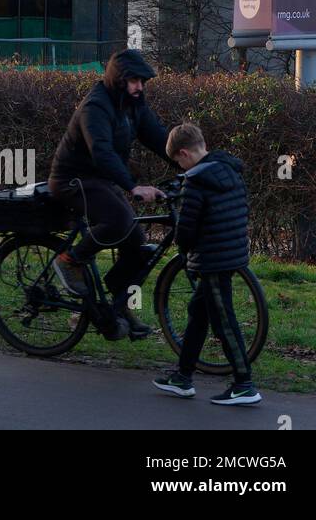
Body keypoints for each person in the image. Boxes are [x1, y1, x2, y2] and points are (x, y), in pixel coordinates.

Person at [48, 48, 172, 340]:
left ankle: (119, 306)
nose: (139, 87)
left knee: (137, 245)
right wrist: (132, 186)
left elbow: (160, 139)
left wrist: (194, 162)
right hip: (73, 180)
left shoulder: (133, 105)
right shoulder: (96, 106)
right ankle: (70, 260)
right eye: (133, 81)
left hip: (100, 181)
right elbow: (102, 152)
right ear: (118, 80)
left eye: (142, 81)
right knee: (118, 221)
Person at [153, 123, 260, 405]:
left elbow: (186, 229)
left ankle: (244, 384)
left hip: (212, 258)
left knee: (224, 321)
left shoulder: (196, 180)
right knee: (198, 313)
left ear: (184, 153)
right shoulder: (229, 168)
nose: (180, 167)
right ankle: (182, 376)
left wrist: (185, 252)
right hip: (232, 251)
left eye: (178, 161)